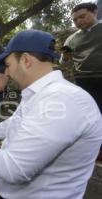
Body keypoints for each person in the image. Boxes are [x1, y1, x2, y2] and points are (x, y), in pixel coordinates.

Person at [0, 29, 102, 199]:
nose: (7, 73)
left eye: (7, 66)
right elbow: (12, 124)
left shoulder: (62, 101)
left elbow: (14, 168)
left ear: (26, 61)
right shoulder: (40, 94)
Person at [61, 2, 102, 161]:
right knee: (91, 116)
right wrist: (65, 55)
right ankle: (95, 149)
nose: (79, 21)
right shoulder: (71, 39)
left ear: (95, 12)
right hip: (84, 80)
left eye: (82, 16)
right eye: (75, 19)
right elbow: (64, 61)